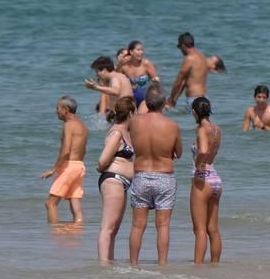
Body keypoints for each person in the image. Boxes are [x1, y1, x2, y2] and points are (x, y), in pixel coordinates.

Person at [128, 85, 181, 265]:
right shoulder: (172, 126)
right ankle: (162, 264)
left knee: (137, 225)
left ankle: (133, 264)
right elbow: (178, 153)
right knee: (163, 225)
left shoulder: (134, 122)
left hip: (141, 175)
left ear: (145, 102)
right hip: (164, 176)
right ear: (165, 103)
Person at [95, 95, 137, 263]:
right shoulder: (116, 133)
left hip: (123, 182)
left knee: (114, 228)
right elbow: (102, 160)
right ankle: (103, 264)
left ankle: (109, 263)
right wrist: (100, 168)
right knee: (107, 227)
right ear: (131, 113)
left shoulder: (126, 132)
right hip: (113, 179)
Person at [40, 95, 88, 223]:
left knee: (50, 204)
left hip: (69, 167)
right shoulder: (82, 125)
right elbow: (83, 150)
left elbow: (66, 151)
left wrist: (54, 169)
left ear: (66, 109)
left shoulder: (69, 125)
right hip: (79, 166)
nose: (56, 111)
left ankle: (54, 234)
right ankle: (78, 231)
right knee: (75, 202)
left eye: (58, 108)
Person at [190, 97, 223, 264]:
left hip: (203, 179)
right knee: (213, 229)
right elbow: (212, 152)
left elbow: (202, 151)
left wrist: (197, 165)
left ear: (194, 112)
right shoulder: (217, 129)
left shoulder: (202, 130)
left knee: (200, 230)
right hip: (216, 179)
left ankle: (198, 267)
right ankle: (215, 265)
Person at [167, 32, 210, 110]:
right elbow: (184, 82)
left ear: (183, 45)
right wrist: (174, 100)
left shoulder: (189, 58)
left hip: (194, 99)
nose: (179, 49)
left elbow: (178, 82)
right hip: (205, 98)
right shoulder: (202, 56)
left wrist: (171, 100)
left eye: (179, 46)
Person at [118, 40, 160, 107]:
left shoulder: (146, 63)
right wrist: (120, 63)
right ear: (131, 52)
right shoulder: (124, 66)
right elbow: (116, 80)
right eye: (138, 50)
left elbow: (156, 82)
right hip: (129, 99)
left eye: (142, 50)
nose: (141, 52)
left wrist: (156, 81)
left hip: (145, 99)